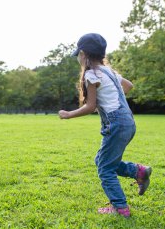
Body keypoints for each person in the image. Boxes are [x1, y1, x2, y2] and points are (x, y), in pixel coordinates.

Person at [58, 33, 152, 218]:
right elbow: (129, 86)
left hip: (116, 124)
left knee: (105, 168)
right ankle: (138, 171)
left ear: (83, 54)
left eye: (79, 54)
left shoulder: (92, 75)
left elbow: (91, 106)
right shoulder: (109, 72)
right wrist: (111, 93)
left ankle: (120, 207)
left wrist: (69, 114)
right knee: (102, 161)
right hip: (128, 122)